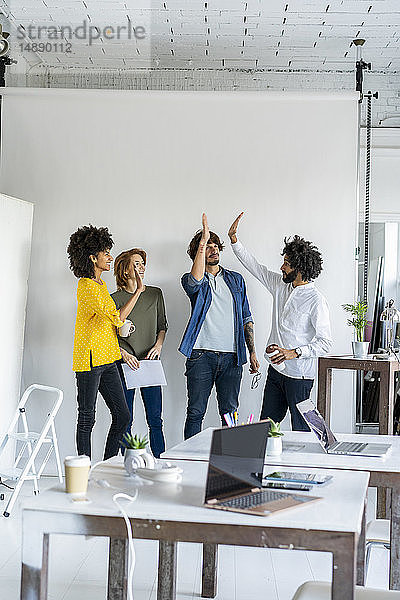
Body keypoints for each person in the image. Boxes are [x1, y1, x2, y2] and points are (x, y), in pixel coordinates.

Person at [228, 212, 332, 431]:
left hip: (300, 377)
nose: (282, 267)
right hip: (276, 372)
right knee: (265, 428)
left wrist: (294, 352)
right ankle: (265, 466)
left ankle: (300, 467)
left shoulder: (316, 300)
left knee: (302, 432)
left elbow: (325, 343)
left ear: (299, 268)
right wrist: (235, 242)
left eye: (286, 263)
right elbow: (255, 266)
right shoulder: (279, 286)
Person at [179, 213, 259, 440]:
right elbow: (194, 282)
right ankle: (190, 461)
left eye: (215, 246)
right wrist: (202, 239)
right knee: (195, 413)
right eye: (207, 246)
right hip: (200, 356)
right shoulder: (192, 279)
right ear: (199, 253)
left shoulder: (235, 280)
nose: (213, 249)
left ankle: (230, 465)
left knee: (230, 415)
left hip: (232, 358)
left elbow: (246, 316)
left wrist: (251, 351)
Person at [67, 225, 143, 460]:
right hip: (89, 360)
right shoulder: (87, 286)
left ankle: (108, 464)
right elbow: (116, 318)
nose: (111, 257)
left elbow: (114, 322)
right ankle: (84, 470)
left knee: (123, 416)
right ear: (92, 257)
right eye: (106, 253)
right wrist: (138, 291)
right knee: (87, 418)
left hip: (108, 358)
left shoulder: (101, 285)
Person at [112, 248, 167, 458]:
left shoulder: (155, 294)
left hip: (150, 363)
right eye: (137, 263)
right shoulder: (114, 298)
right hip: (124, 364)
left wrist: (159, 345)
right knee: (126, 418)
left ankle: (161, 461)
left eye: (143, 263)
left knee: (155, 418)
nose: (142, 266)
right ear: (125, 270)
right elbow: (109, 335)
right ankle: (129, 463)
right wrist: (123, 354)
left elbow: (162, 325)